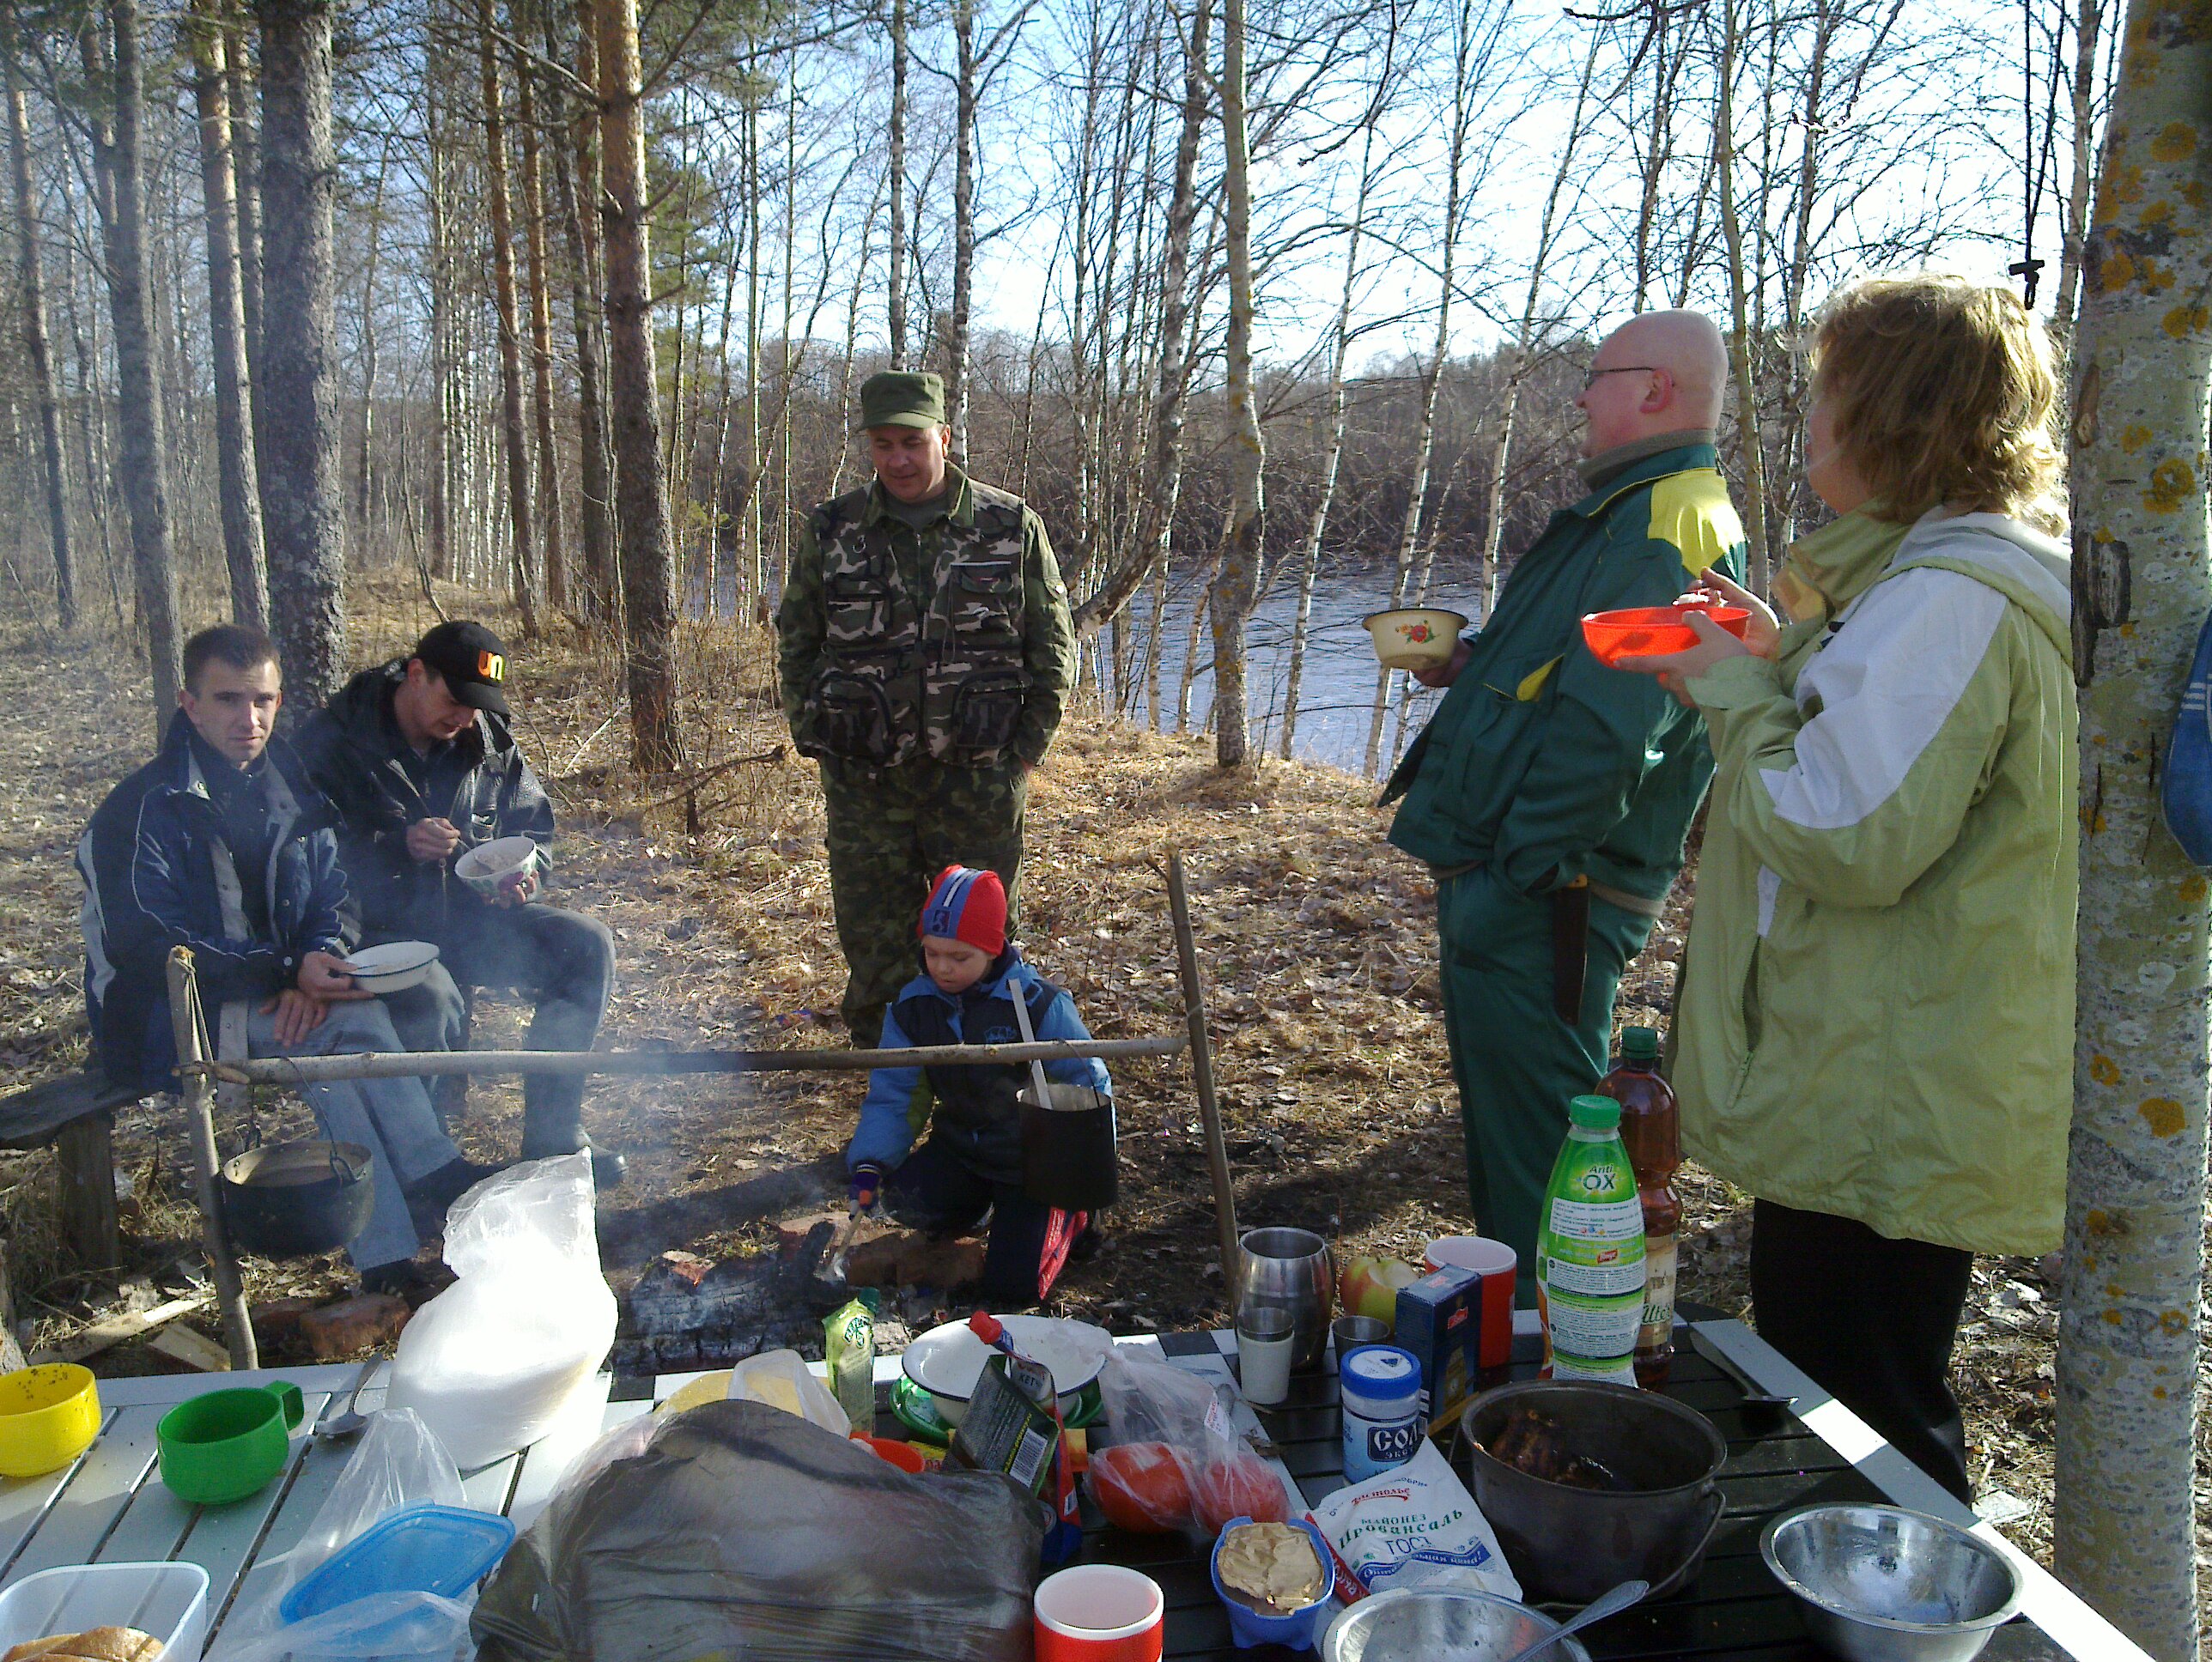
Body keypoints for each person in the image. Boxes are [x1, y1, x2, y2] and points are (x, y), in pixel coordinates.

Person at [1614, 276, 2074, 1501]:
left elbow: (1842, 831)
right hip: (1884, 1062)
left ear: (1894, 417)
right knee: (1852, 1386)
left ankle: (1895, 1592)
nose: (1808, 418)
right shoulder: (1929, 586)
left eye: (1829, 395)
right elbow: (1881, 765)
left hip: (1885, 1079)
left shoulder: (1947, 599)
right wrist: (1776, 658)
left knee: (1866, 1423)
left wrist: (1731, 688)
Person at [1379, 310, 1747, 1299]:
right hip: (1535, 885)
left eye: (1598, 376)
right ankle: (1528, 1338)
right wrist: (1474, 661)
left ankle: (1566, 1352)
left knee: (1545, 1159)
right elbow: (1579, 668)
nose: (1581, 397)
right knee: (1516, 1146)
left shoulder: (1668, 523)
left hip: (1553, 893)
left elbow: (1615, 731)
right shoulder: (1628, 513)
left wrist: (1520, 870)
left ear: (1655, 390)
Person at [76, 624, 495, 1295]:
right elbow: (147, 945)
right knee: (336, 1038)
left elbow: (336, 894)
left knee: (348, 1031)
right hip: (162, 1015)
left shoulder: (290, 787)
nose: (249, 718)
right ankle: (418, 1205)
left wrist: (318, 958)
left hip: (268, 991)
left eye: (263, 700)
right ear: (190, 705)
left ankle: (397, 1239)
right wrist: (283, 972)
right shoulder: (140, 810)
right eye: (228, 699)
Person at [778, 370, 1079, 1045]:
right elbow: (797, 641)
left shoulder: (1008, 525)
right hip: (865, 781)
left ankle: (986, 1069)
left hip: (977, 779)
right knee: (875, 940)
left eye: (912, 442)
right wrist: (815, 736)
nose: (898, 460)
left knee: (979, 940)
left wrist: (1025, 753)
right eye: (883, 445)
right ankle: (890, 1071)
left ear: (943, 437)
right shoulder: (834, 529)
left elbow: (1052, 647)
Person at [295, 622, 623, 1188]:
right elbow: (307, 857)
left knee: (586, 946)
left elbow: (532, 828)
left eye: (479, 705)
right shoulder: (336, 741)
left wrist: (526, 877)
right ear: (417, 675)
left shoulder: (487, 738)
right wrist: (396, 846)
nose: (466, 718)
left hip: (472, 920)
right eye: (455, 700)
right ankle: (424, 1166)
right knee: (431, 994)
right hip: (378, 934)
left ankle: (554, 1138)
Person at [845, 865, 1110, 1307]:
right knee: (904, 1202)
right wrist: (870, 1162)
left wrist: (1083, 1175)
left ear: (992, 949)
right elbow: (895, 1094)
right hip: (962, 1150)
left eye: (959, 957)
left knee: (1012, 1291)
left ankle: (1071, 1216)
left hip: (1032, 1165)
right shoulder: (914, 1008)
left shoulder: (1037, 1004)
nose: (942, 968)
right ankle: (980, 1208)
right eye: (932, 953)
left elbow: (1089, 1082)